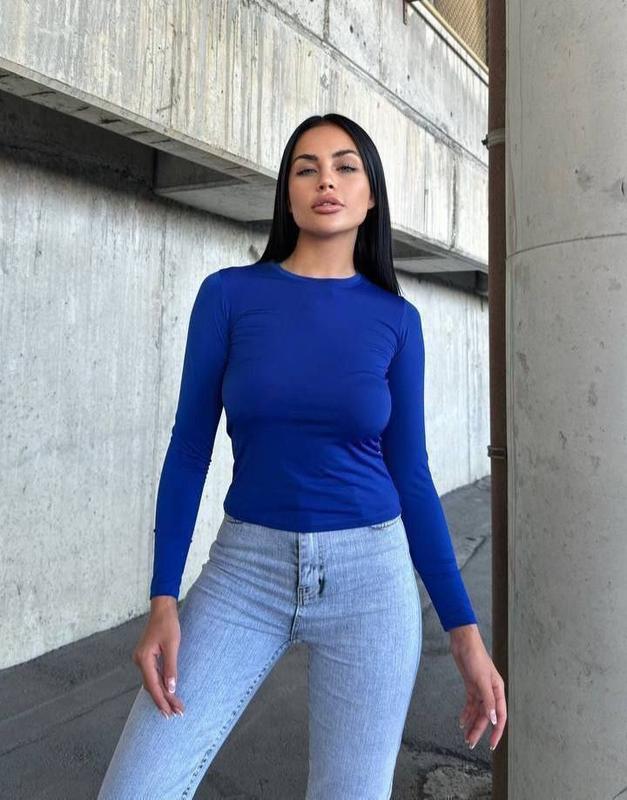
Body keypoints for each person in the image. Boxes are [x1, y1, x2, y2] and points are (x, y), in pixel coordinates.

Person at [97, 113, 507, 800]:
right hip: (244, 572)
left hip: (371, 583)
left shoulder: (396, 321)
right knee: (136, 789)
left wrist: (463, 633)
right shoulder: (228, 296)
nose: (325, 181)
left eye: (345, 167)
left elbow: (411, 476)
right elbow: (190, 448)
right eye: (305, 168)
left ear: (369, 196)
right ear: (287, 195)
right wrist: (163, 597)